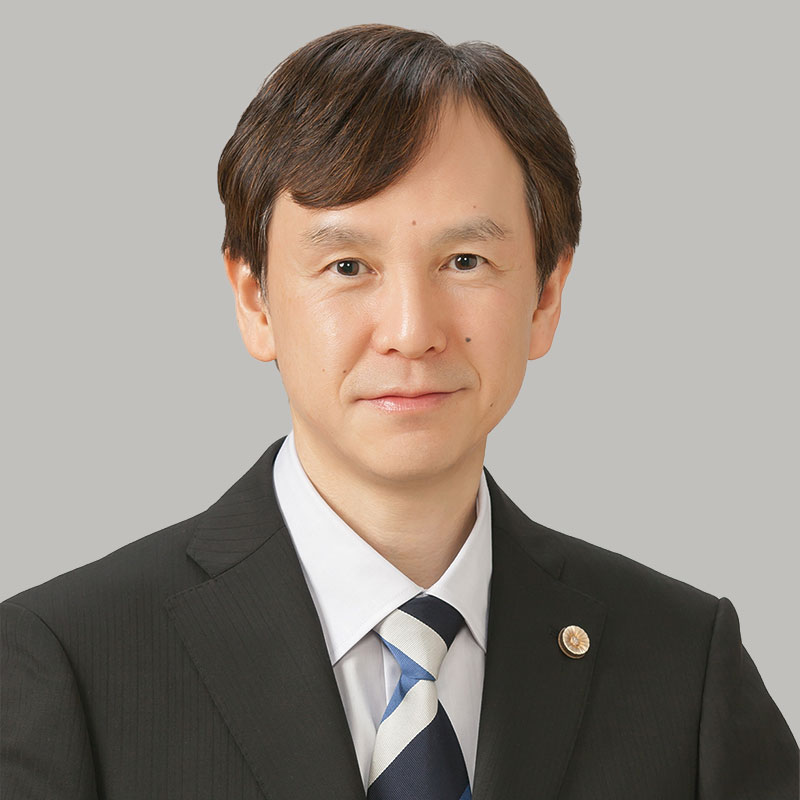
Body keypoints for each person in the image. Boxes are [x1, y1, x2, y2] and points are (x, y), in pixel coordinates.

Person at [1, 22, 796, 800]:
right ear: (255, 300)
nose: (413, 332)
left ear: (546, 295)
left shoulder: (685, 664)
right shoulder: (65, 662)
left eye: (465, 261)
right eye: (348, 265)